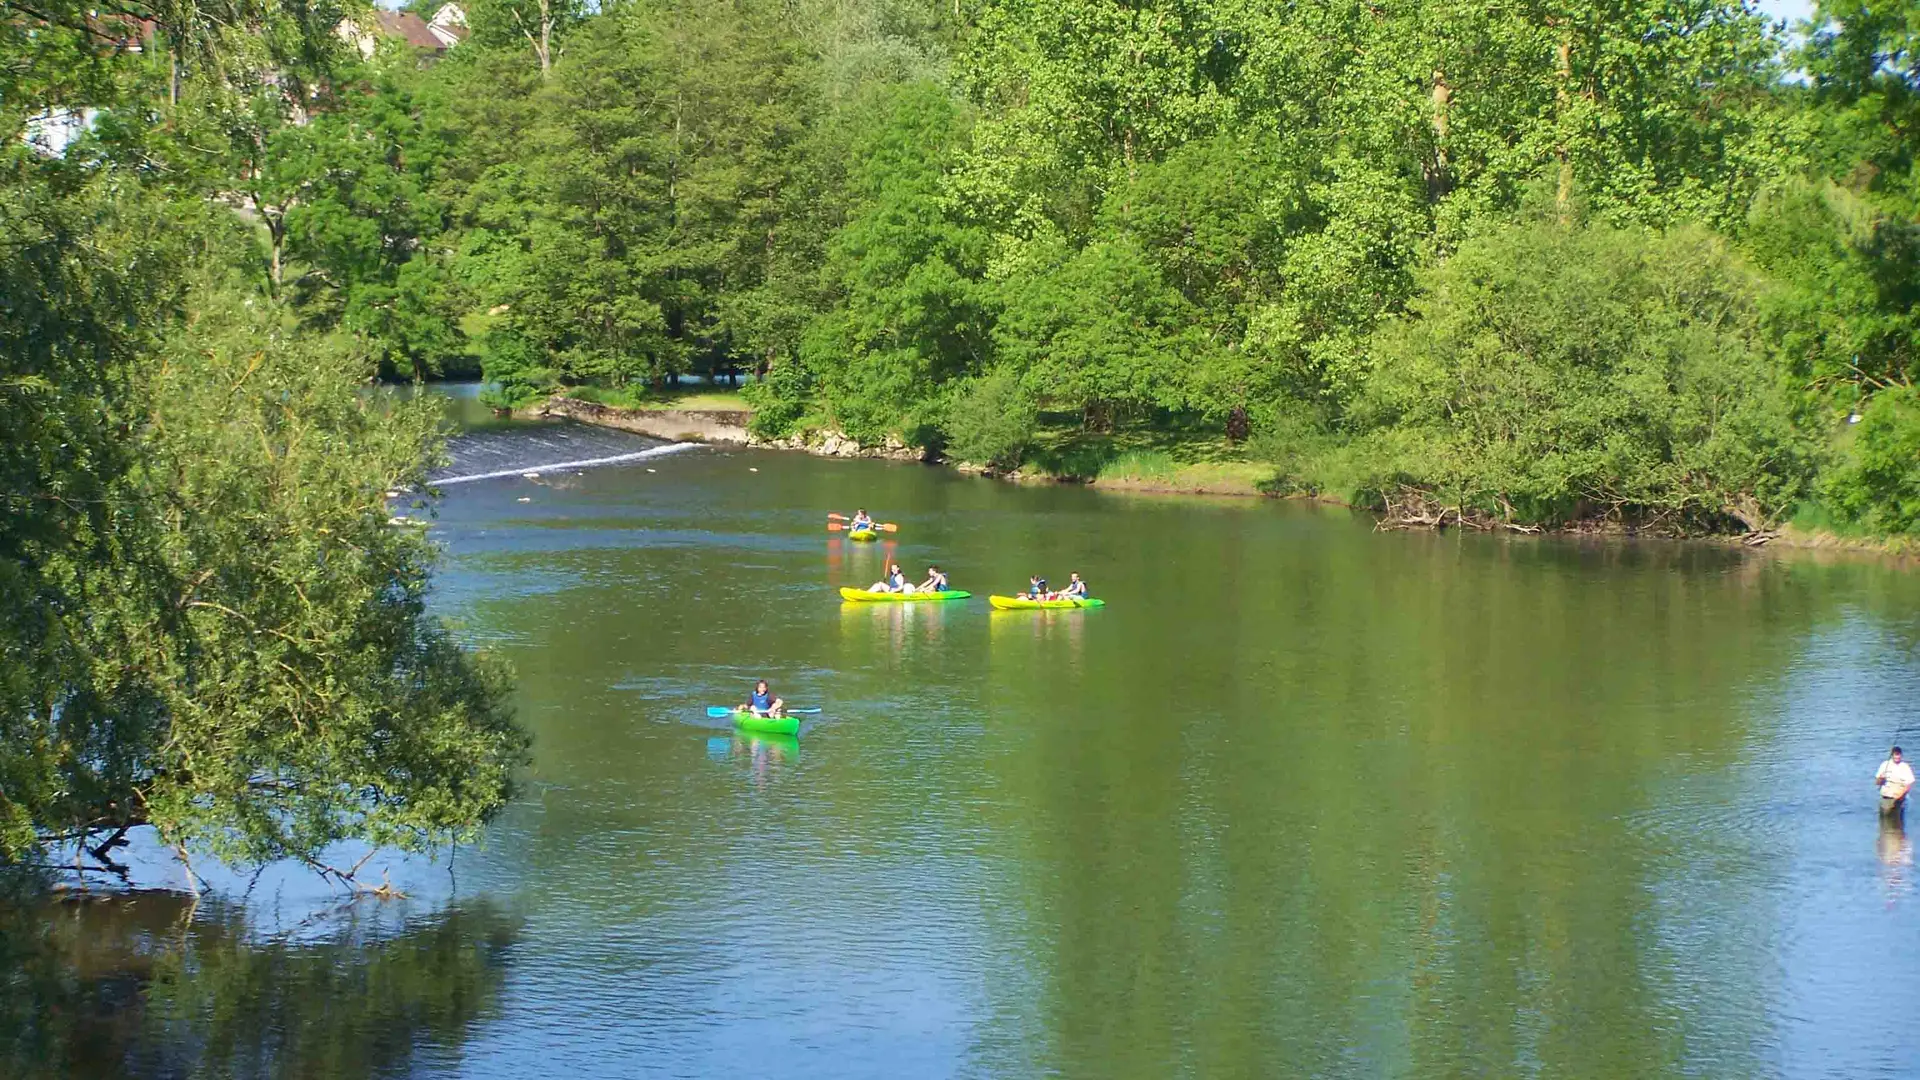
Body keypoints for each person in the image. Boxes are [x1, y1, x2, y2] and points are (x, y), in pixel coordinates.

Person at [1877, 746, 1913, 815]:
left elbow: (1909, 785)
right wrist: (1881, 778)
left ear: (1901, 755)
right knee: (1885, 822)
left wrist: (1900, 796)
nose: (1897, 757)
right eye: (1895, 755)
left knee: (1898, 822)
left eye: (1898, 755)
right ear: (1892, 755)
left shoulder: (1905, 766)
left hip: (1900, 799)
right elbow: (1877, 783)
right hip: (1886, 799)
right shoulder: (1884, 765)